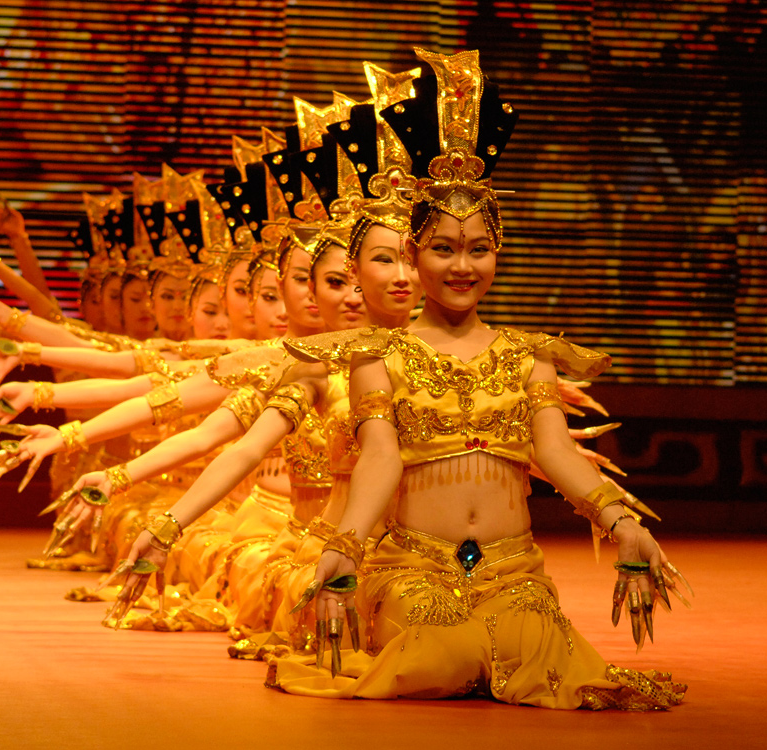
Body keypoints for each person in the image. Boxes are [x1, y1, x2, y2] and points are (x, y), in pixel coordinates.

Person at [266, 48, 689, 710]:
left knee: (533, 649)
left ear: (498, 252)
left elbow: (552, 452)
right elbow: (379, 457)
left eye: (478, 249)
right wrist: (346, 548)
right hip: (415, 566)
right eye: (443, 248)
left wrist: (619, 521)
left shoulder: (528, 353)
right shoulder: (382, 353)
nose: (462, 266)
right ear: (413, 253)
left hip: (512, 571)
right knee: (441, 651)